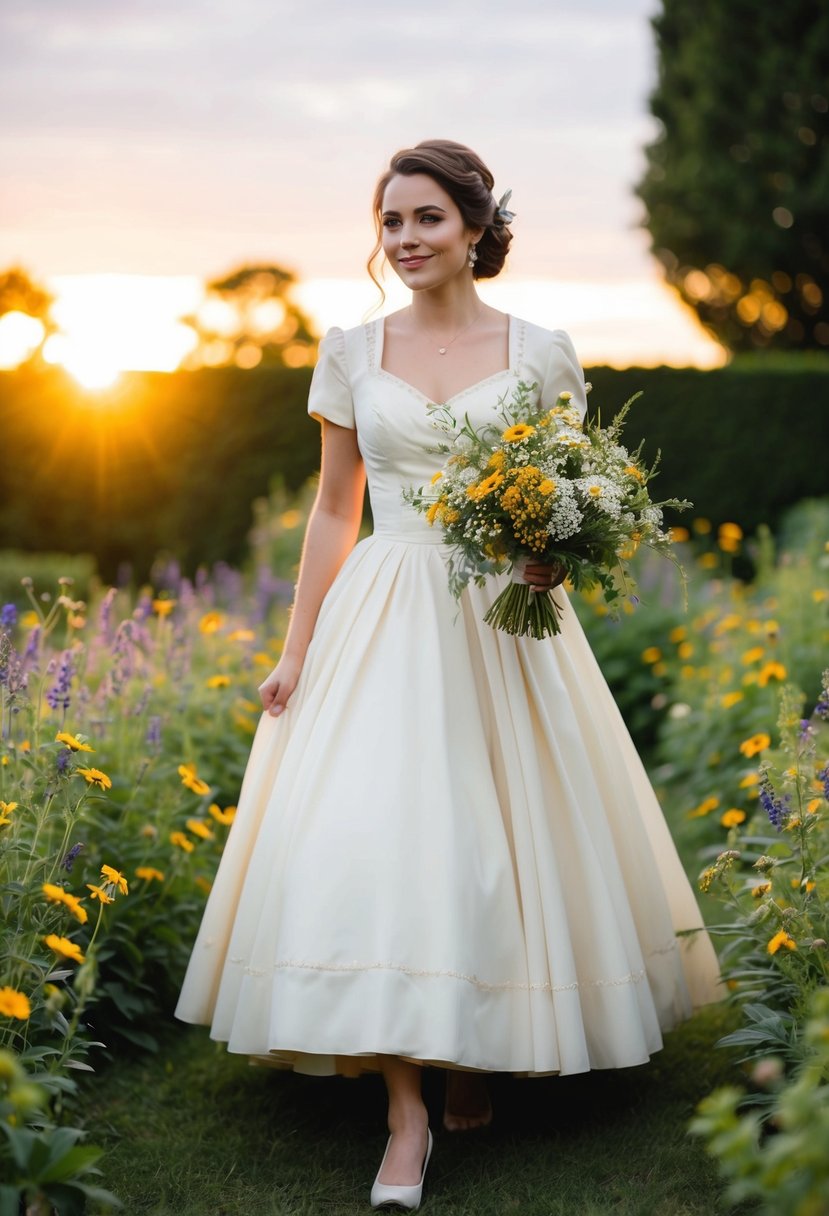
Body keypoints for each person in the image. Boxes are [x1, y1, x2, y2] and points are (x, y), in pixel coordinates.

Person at [175, 138, 721, 1211]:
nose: (406, 239)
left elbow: (578, 494)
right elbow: (336, 507)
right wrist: (294, 652)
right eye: (389, 222)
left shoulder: (541, 350)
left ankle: (477, 1041)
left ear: (474, 227)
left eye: (425, 218)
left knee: (495, 833)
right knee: (379, 832)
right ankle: (404, 1108)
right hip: (383, 609)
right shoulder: (350, 350)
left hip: (504, 621)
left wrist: (547, 553)